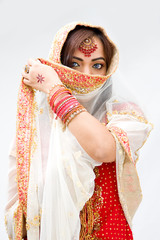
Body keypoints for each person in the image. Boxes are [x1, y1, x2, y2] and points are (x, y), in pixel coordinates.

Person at [5, 22, 152, 240]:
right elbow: (21, 207)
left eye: (97, 65)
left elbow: (102, 148)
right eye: (74, 64)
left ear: (109, 67)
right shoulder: (38, 126)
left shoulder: (124, 114)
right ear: (59, 64)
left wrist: (54, 89)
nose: (86, 74)